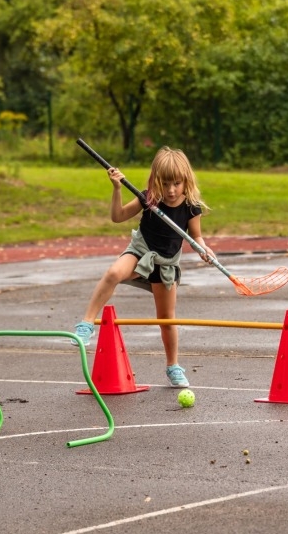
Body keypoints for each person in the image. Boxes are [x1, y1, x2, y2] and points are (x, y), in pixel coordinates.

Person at [73, 146, 214, 388]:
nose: (171, 190)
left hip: (166, 265)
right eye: (166, 183)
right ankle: (86, 324)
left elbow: (196, 236)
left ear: (186, 181)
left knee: (167, 319)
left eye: (176, 184)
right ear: (156, 180)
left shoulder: (191, 207)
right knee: (113, 273)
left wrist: (204, 248)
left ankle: (173, 366)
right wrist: (117, 188)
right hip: (141, 253)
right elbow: (117, 217)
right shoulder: (148, 198)